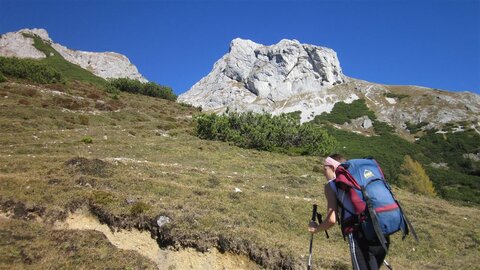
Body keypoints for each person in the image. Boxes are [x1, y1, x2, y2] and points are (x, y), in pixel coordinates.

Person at [308, 154, 389, 270]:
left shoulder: (331, 186)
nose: (323, 172)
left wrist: (315, 229)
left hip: (360, 235)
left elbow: (331, 220)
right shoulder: (358, 181)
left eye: (324, 168)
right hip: (383, 231)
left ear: (332, 167)